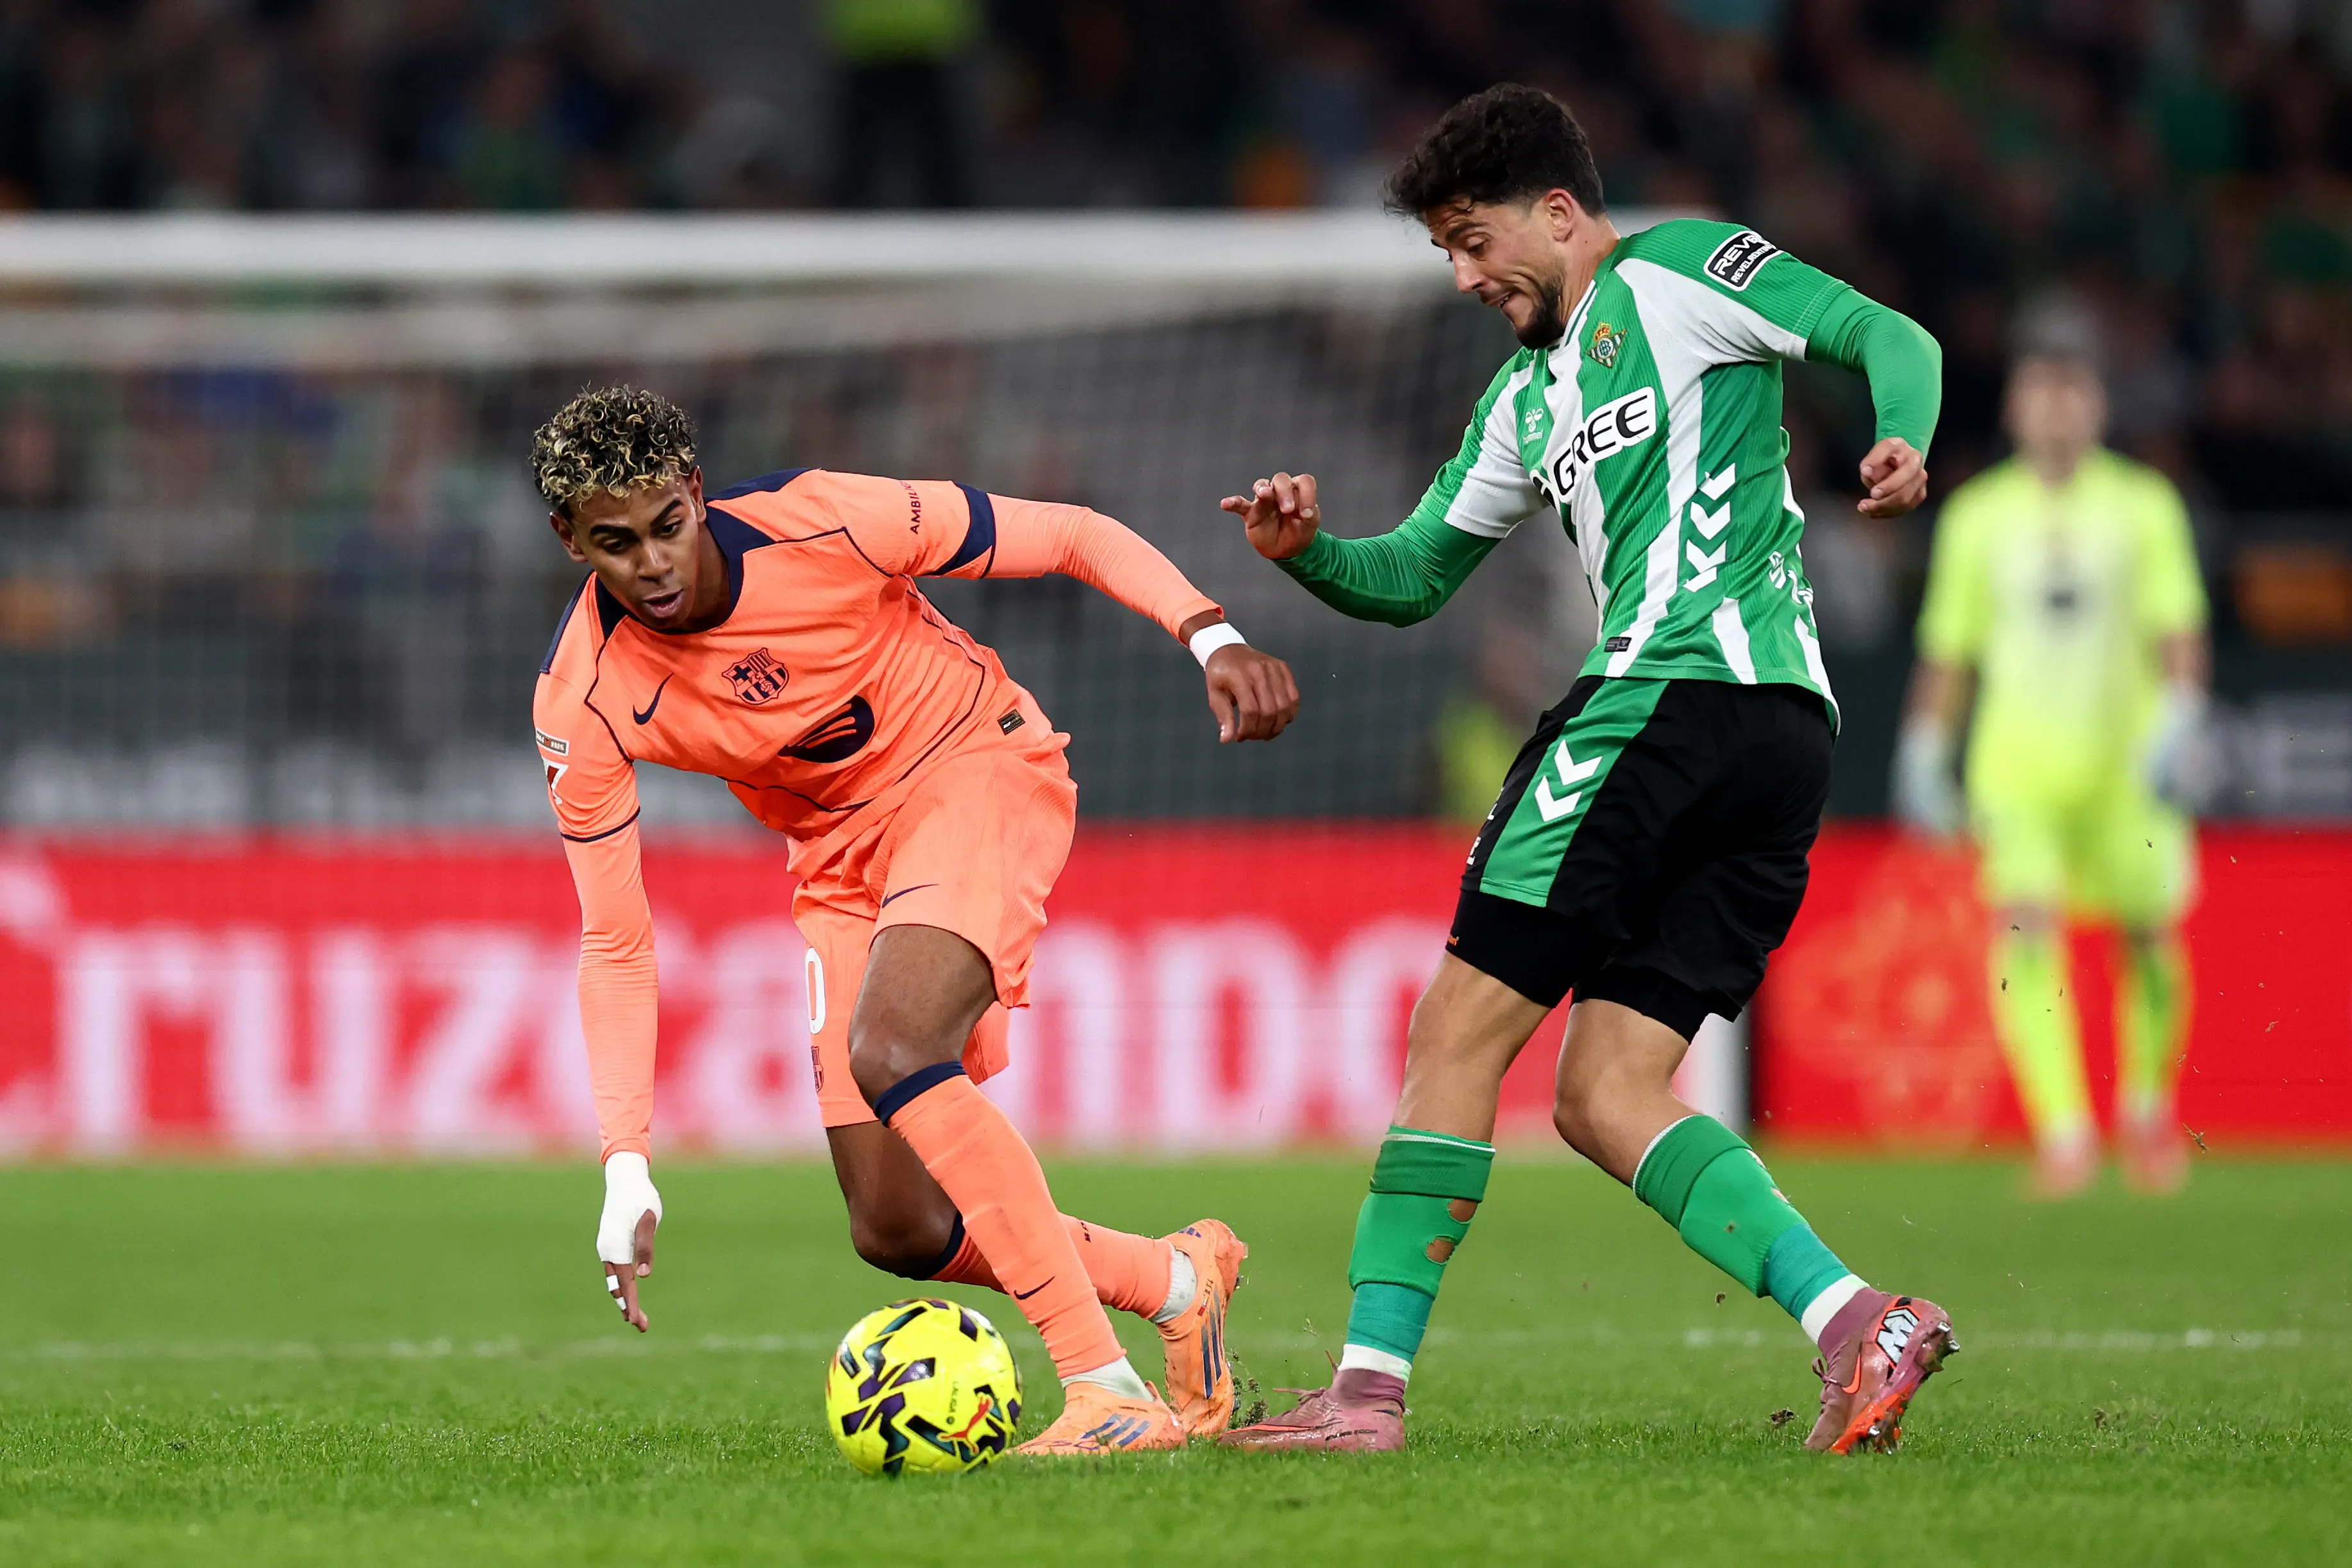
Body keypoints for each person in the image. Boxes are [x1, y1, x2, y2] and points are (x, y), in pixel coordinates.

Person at [1215, 84, 1955, 1456]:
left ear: (1558, 213)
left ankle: (1363, 1397)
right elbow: (1414, 573)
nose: (1462, 277)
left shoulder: (1680, 270)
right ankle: (1861, 1320)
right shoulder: (1520, 400)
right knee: (1603, 1092)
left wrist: (1902, 428)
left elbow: (1885, 333)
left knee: (1455, 1032)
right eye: (1444, 251)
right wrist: (1306, 553)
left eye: (1472, 240)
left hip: (1668, 698)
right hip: (1780, 742)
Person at [528, 387, 1299, 1455]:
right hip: (836, 860)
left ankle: (1104, 1390)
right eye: (617, 544)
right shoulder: (584, 698)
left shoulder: (826, 520)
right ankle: (1175, 1279)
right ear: (571, 541)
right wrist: (626, 1162)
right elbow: (615, 939)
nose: (654, 564)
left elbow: (1070, 534)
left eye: (668, 525)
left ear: (697, 494)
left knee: (892, 1048)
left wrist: (1211, 635)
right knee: (897, 1224)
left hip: (973, 764)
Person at [1895, 321, 2211, 1198]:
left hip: (2127, 766)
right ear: (2016, 404)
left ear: (2099, 404)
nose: (2058, 407)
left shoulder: (2145, 505)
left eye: (2074, 389)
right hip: (2019, 770)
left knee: (2147, 935)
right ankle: (2065, 1132)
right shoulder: (1977, 515)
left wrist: (2183, 714)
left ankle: (2146, 1113)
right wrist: (1925, 745)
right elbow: (1949, 650)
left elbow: (2180, 627)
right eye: (2042, 388)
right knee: (2027, 931)